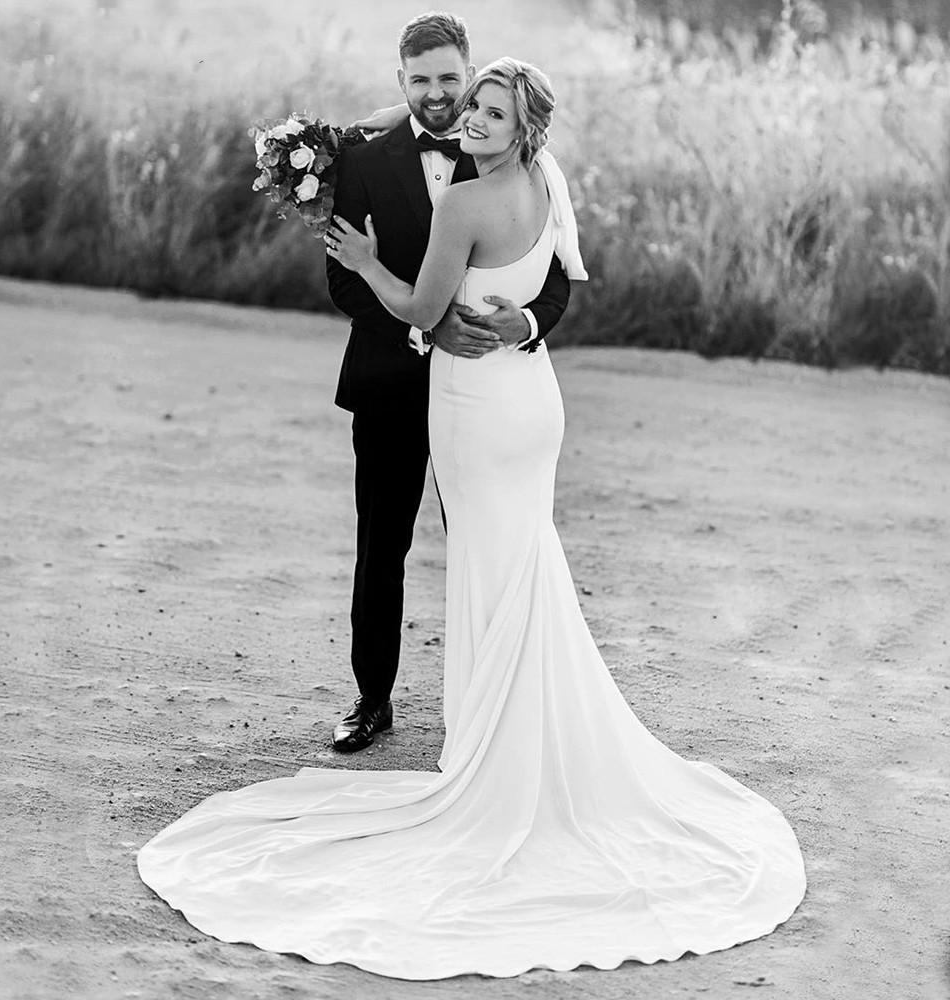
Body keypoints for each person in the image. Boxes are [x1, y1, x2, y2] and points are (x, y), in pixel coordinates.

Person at [137, 49, 806, 981]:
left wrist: (387, 271)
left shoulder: (469, 193)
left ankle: (494, 756)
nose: (460, 111)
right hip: (502, 401)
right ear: (406, 83)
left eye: (480, 101)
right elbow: (419, 274)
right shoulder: (499, 169)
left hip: (480, 397)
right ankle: (401, 707)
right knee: (468, 552)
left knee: (491, 561)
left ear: (511, 117)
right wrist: (420, 289)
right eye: (441, 92)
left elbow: (524, 289)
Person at [324, 12, 571, 753]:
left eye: (449, 79)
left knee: (487, 544)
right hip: (392, 385)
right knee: (382, 547)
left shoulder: (503, 148)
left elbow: (556, 278)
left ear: (471, 76)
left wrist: (525, 322)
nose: (437, 94)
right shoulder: (362, 160)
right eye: (421, 80)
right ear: (401, 82)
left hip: (484, 395)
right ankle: (372, 699)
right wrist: (427, 330)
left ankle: (494, 704)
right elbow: (345, 280)